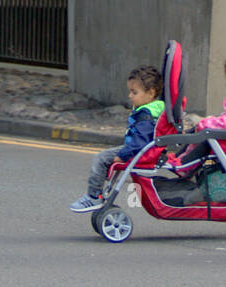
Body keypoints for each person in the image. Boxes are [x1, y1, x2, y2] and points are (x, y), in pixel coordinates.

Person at [69, 65, 165, 212]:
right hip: (138, 150)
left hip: (136, 152)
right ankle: (96, 196)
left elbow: (140, 143)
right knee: (103, 158)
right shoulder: (152, 110)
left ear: (151, 93)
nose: (130, 96)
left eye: (134, 92)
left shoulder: (146, 116)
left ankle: (93, 196)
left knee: (100, 158)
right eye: (130, 92)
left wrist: (121, 156)